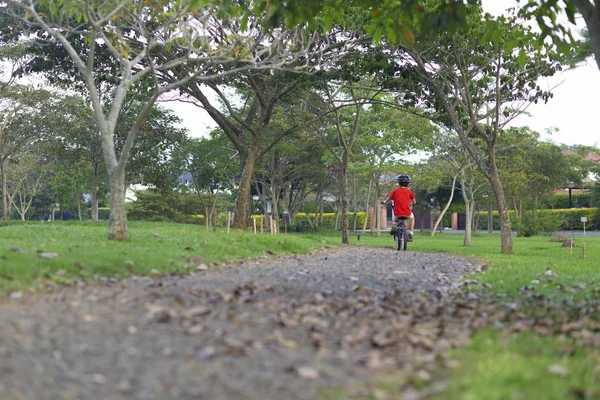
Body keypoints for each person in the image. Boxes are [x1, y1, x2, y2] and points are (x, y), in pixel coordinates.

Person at [383, 174, 416, 241]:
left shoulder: (395, 191)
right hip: (407, 213)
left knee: (396, 219)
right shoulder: (409, 191)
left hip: (397, 213)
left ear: (399, 183)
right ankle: (411, 233)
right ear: (408, 184)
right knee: (412, 218)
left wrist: (384, 202)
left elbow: (388, 199)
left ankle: (395, 226)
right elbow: (414, 201)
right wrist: (414, 203)